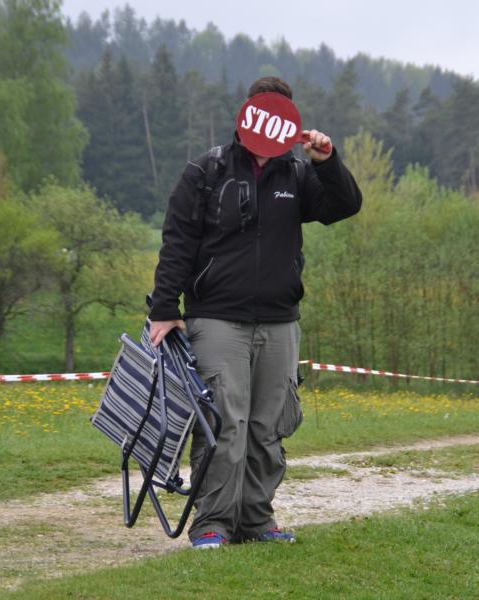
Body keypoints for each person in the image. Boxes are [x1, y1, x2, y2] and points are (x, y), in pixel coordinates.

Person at [148, 76, 362, 549]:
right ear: (247, 112)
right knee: (223, 423)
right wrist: (164, 307)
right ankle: (213, 523)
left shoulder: (298, 175)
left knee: (269, 426)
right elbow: (178, 239)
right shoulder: (207, 170)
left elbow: (345, 206)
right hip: (216, 318)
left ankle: (256, 521)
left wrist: (326, 161)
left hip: (280, 321)